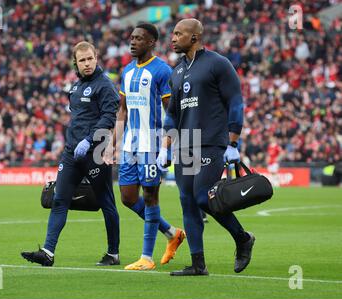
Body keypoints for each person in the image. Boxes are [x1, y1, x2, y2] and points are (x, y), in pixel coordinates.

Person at [157, 19, 255, 276]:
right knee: (187, 202)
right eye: (173, 34)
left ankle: (242, 237)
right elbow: (172, 114)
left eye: (179, 34)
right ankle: (198, 264)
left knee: (203, 197)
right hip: (184, 147)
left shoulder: (218, 63)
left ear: (195, 37)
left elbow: (235, 101)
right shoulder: (176, 72)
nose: (173, 38)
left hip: (211, 142)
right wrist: (165, 146)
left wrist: (233, 142)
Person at [21, 41, 121, 267]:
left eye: (90, 58)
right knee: (59, 199)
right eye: (82, 60)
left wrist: (89, 140)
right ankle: (48, 252)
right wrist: (74, 141)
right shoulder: (75, 88)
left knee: (107, 203)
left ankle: (113, 253)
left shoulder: (105, 86)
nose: (87, 63)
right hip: (71, 154)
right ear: (75, 63)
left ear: (97, 58)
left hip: (94, 153)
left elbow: (108, 118)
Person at [104, 23, 186, 271]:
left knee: (150, 197)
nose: (133, 42)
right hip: (130, 145)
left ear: (151, 42)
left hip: (153, 145)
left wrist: (167, 146)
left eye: (139, 38)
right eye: (131, 38)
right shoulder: (127, 71)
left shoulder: (162, 71)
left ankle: (146, 258)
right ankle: (172, 233)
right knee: (128, 198)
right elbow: (123, 111)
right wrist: (112, 144)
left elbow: (172, 111)